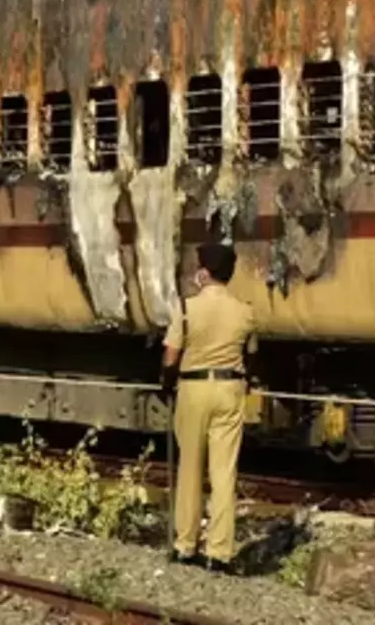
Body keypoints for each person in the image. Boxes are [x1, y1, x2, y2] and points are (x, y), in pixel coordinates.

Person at [161, 242, 258, 573]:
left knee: (189, 468)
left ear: (204, 271)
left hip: (193, 388)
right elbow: (253, 353)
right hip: (230, 389)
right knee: (224, 472)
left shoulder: (187, 309)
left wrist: (165, 383)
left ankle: (185, 546)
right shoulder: (245, 310)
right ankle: (219, 553)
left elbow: (171, 355)